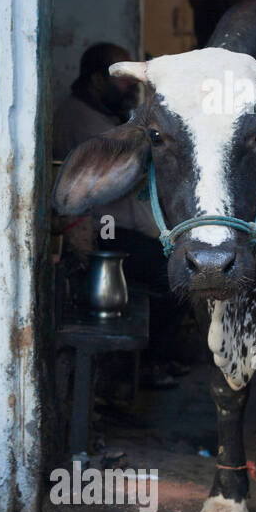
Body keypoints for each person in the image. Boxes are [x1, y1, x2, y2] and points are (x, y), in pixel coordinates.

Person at [53, 43, 189, 390]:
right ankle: (147, 367)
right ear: (98, 79)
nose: (131, 87)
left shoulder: (104, 115)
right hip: (103, 232)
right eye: (123, 80)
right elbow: (115, 179)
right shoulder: (78, 119)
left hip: (129, 226)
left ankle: (160, 358)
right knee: (171, 272)